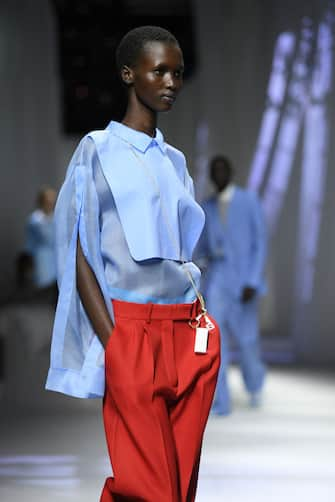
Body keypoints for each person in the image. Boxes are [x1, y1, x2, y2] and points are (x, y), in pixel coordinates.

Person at [46, 26, 220, 501]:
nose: (170, 82)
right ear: (129, 73)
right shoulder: (97, 150)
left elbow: (181, 252)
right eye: (158, 70)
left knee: (178, 488)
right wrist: (115, 341)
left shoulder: (177, 160)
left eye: (178, 73)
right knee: (151, 488)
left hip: (190, 333)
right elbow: (78, 251)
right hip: (132, 331)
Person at [198, 155, 267, 415]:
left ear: (231, 171)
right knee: (216, 340)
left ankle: (254, 385)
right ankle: (220, 400)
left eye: (222, 168)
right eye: (213, 170)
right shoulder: (207, 207)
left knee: (248, 340)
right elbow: (201, 248)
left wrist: (253, 279)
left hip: (243, 280)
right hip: (217, 279)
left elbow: (260, 243)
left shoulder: (249, 201)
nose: (218, 173)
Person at [25, 187, 57, 288]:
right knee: (44, 286)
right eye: (47, 201)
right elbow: (30, 242)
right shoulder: (34, 220)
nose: (50, 204)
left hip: (56, 256)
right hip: (41, 258)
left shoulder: (57, 217)